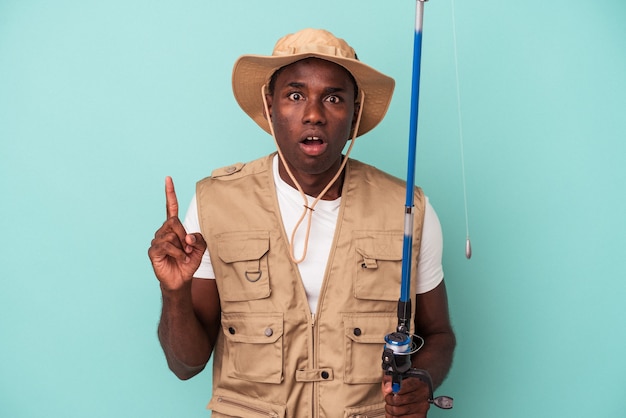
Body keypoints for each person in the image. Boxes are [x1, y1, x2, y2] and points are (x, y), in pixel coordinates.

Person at [148, 28, 455, 418]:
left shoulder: (408, 208)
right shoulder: (215, 204)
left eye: (333, 98)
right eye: (295, 95)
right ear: (270, 105)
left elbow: (439, 334)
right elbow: (185, 365)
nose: (314, 114)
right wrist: (174, 292)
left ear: (355, 113)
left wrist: (422, 379)